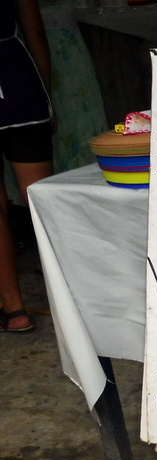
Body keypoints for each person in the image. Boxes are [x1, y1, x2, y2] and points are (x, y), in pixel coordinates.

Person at [0, 0, 54, 332]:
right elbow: (34, 29)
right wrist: (44, 87)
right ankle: (72, 301)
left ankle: (15, 311)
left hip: (15, 73)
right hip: (15, 76)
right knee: (42, 200)